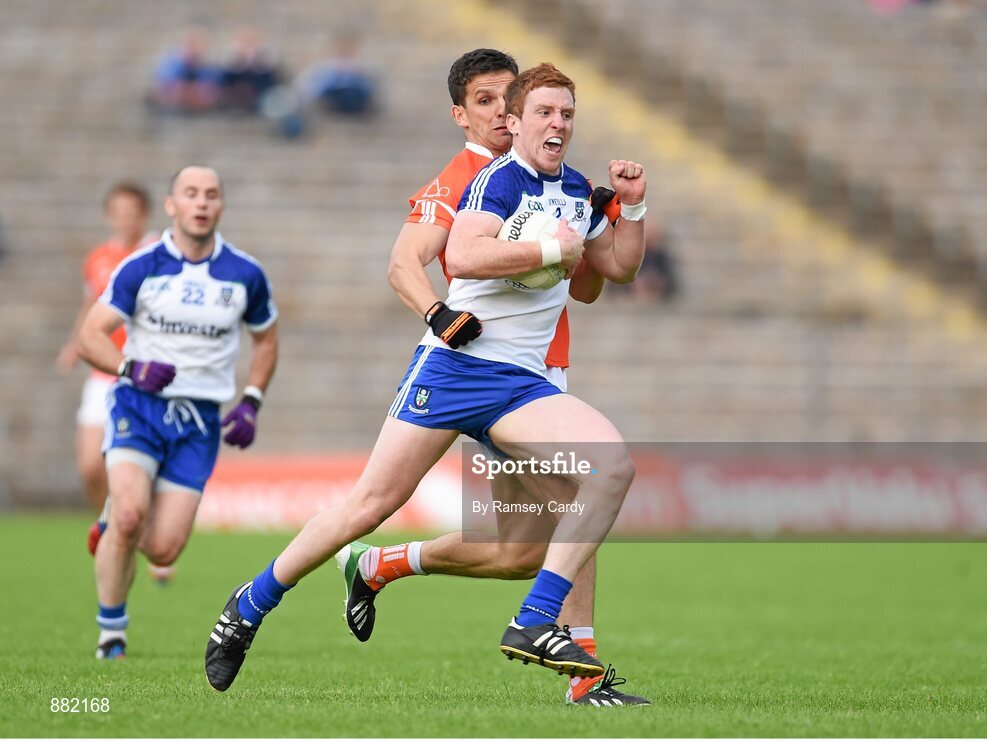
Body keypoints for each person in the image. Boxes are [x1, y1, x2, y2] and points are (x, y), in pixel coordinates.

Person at [204, 63, 647, 696]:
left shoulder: (576, 188)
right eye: (542, 112)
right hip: (456, 370)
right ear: (511, 123)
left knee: (596, 482)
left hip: (525, 385)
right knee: (370, 505)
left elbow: (615, 272)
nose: (556, 123)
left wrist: (633, 208)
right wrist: (544, 256)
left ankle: (536, 622)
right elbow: (459, 256)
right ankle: (248, 605)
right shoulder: (492, 180)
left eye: (566, 114)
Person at [332, 48, 648, 707]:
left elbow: (589, 285)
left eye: (515, 101)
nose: (506, 114)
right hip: (474, 371)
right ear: (465, 114)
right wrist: (440, 314)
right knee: (580, 495)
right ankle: (582, 673)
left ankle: (378, 563)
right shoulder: (464, 182)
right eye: (489, 101)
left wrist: (609, 218)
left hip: (539, 370)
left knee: (517, 553)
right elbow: (409, 261)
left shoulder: (555, 180)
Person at [79, 166, 279, 659]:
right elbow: (90, 336)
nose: (201, 202)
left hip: (198, 423)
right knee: (130, 514)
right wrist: (131, 367)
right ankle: (111, 635)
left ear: (220, 206)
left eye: (211, 194)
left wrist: (251, 399)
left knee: (164, 549)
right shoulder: (141, 266)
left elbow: (267, 338)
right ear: (172, 206)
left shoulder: (244, 273)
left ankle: (112, 526)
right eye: (190, 194)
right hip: (140, 408)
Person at [57, 182, 155, 515]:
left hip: (145, 375)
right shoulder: (99, 258)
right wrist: (75, 342)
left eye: (132, 213)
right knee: (89, 465)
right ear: (109, 216)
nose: (126, 220)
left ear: (144, 214)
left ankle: (145, 529)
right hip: (104, 371)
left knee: (141, 467)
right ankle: (108, 522)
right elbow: (90, 305)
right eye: (119, 213)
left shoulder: (157, 254)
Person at [151, 28, 223, 114]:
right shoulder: (171, 65)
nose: (194, 48)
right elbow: (169, 89)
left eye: (197, 44)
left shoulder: (209, 69)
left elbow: (212, 90)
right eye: (191, 44)